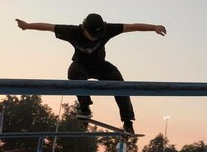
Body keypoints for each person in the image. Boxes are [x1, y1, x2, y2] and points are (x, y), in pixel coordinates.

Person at [16, 13, 166, 134]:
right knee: (73, 71)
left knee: (119, 82)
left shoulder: (107, 29)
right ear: (84, 28)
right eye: (92, 35)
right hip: (82, 66)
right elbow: (48, 27)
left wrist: (154, 27)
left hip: (101, 66)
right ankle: (85, 107)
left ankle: (128, 122)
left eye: (97, 37)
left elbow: (132, 27)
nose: (94, 39)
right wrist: (27, 26)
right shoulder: (72, 31)